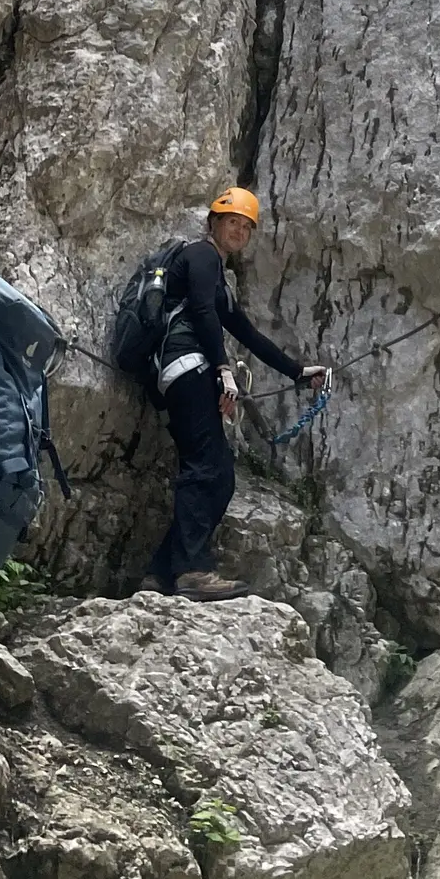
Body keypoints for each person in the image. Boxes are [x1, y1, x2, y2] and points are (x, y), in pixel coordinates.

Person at [142, 186, 330, 602]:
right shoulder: (202, 255)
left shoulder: (215, 274)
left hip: (186, 371)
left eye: (247, 227)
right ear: (213, 223)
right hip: (188, 367)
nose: (239, 231)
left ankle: (162, 572)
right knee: (206, 468)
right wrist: (225, 370)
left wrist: (297, 371)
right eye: (232, 222)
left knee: (218, 473)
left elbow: (244, 330)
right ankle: (191, 570)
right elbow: (204, 314)